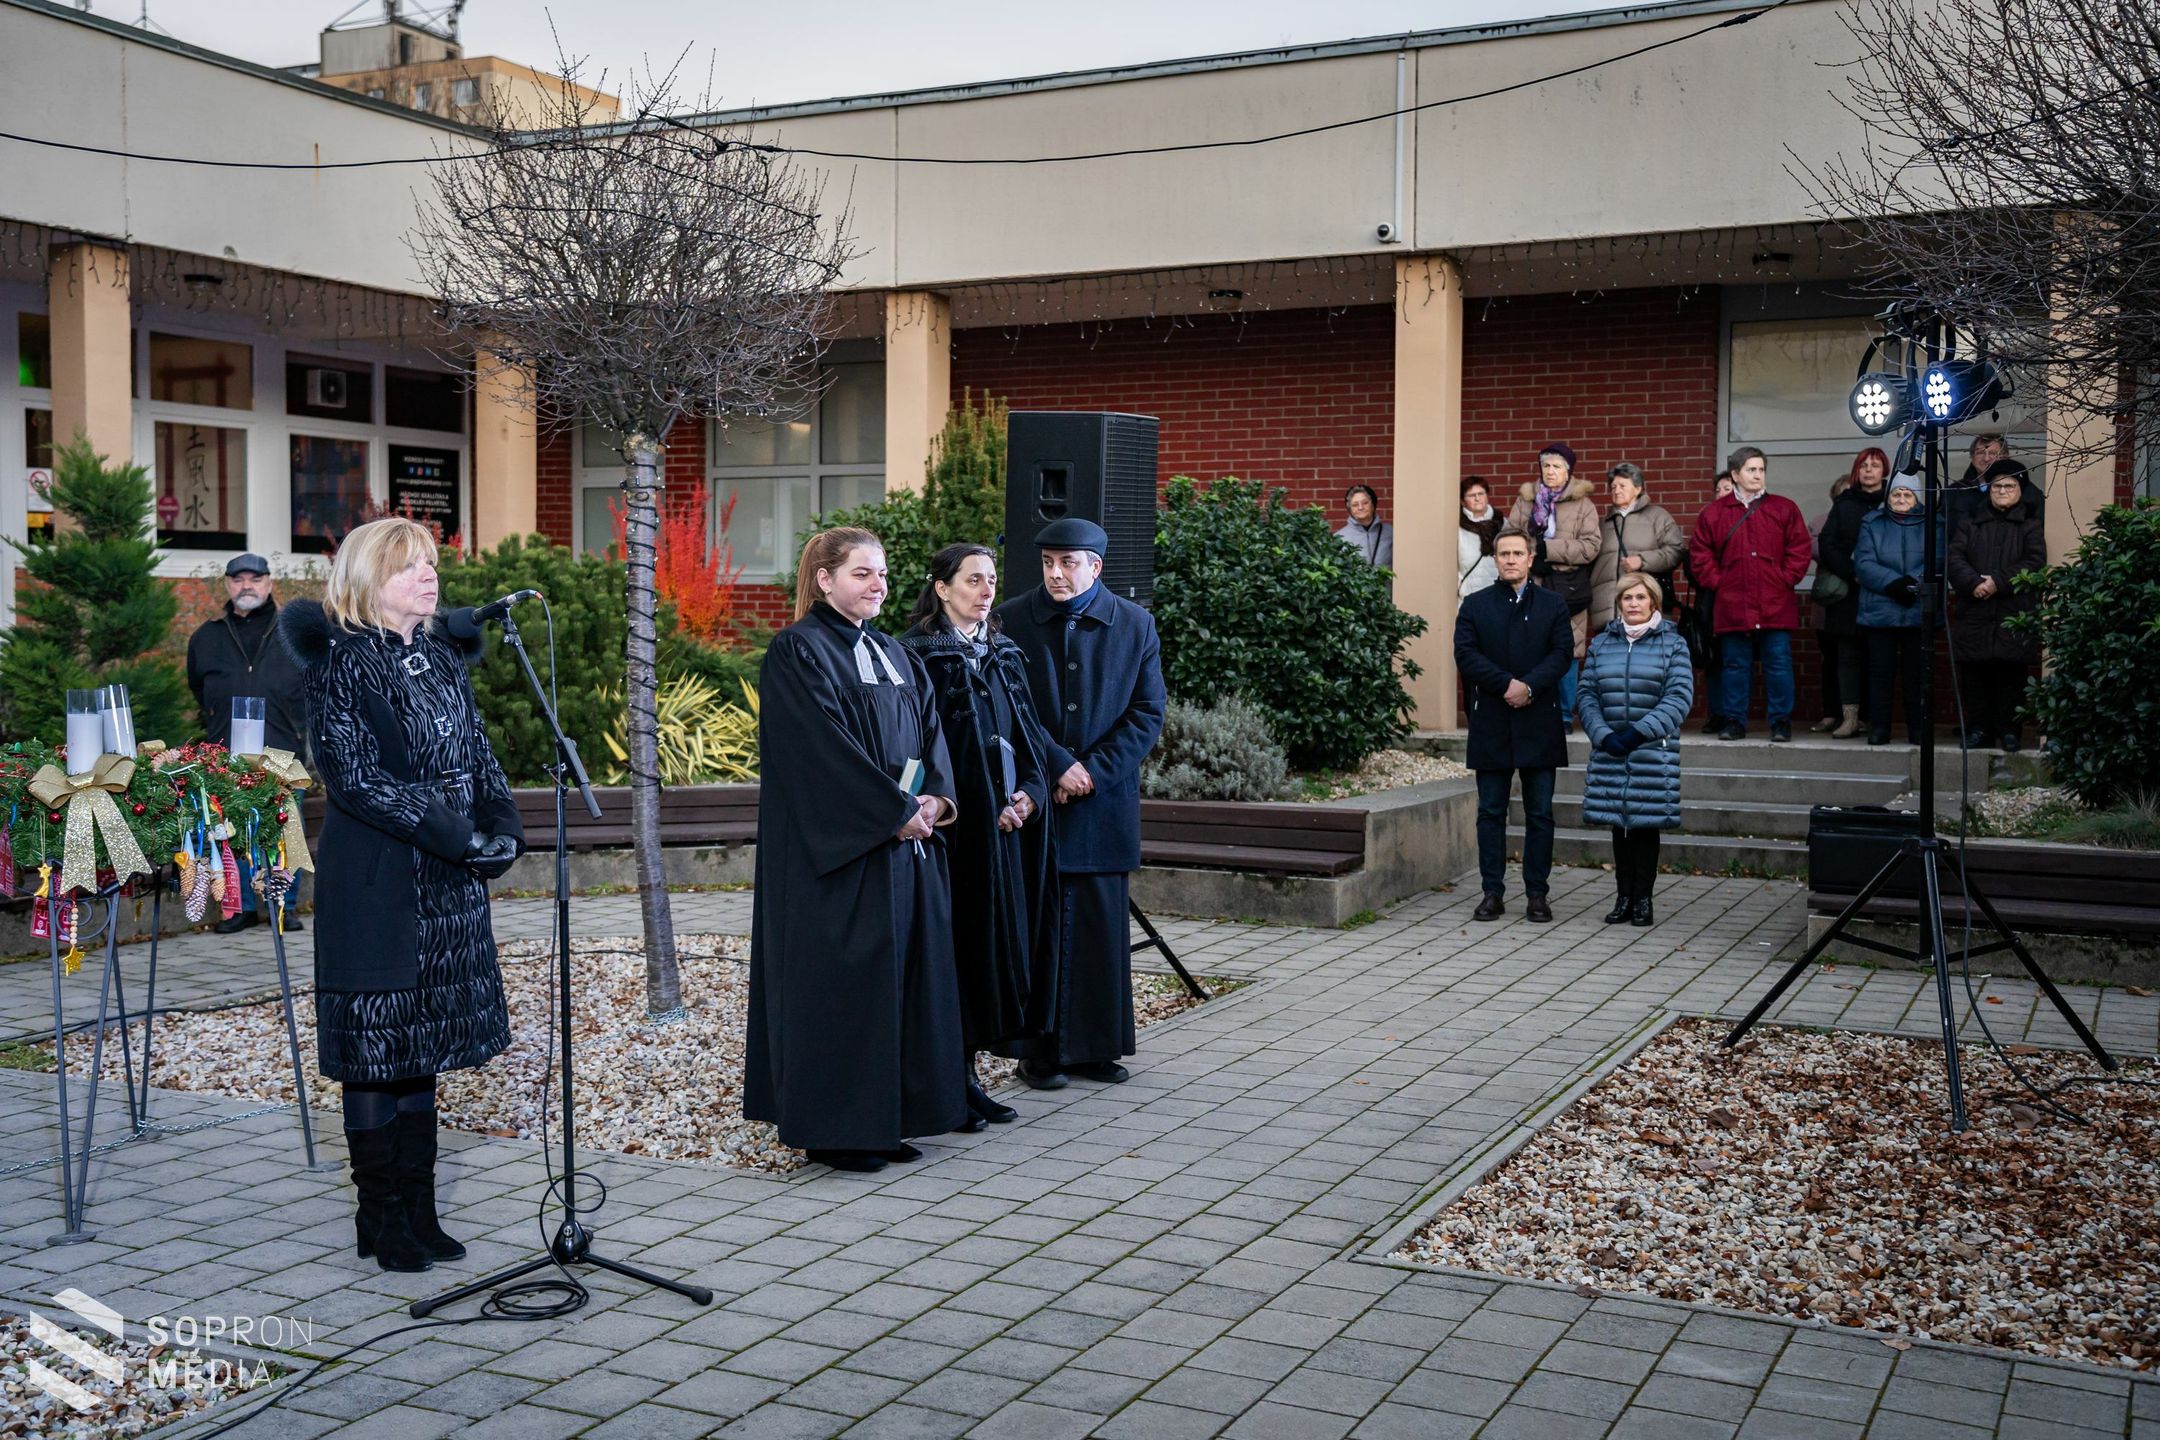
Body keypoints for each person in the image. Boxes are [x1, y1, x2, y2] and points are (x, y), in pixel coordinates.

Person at [278, 518, 524, 1274]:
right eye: (410, 567)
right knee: (376, 1053)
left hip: (445, 888)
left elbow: (477, 751)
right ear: (366, 582)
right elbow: (357, 781)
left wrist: (503, 824)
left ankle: (419, 1206)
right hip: (380, 883)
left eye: (431, 564)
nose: (430, 576)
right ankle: (379, 1214)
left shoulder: (442, 659)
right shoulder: (342, 664)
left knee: (424, 1050)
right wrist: (457, 835)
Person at [744, 527, 968, 1173]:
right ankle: (837, 1131)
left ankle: (887, 1117)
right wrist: (892, 813)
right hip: (839, 859)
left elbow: (932, 737)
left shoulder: (896, 652)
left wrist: (936, 801)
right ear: (825, 580)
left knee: (897, 986)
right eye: (863, 574)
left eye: (883, 575)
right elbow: (817, 752)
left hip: (904, 847)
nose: (878, 586)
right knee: (842, 990)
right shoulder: (797, 651)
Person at [995, 518, 1166, 1091]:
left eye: (1068, 563)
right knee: (1038, 928)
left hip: (1102, 802)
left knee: (1098, 928)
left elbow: (1147, 713)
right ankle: (1037, 1054)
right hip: (1037, 797)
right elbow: (1011, 706)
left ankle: (1095, 1049)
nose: (1056, 574)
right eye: (1048, 563)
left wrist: (1091, 770)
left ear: (1096, 566)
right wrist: (1056, 764)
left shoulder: (1135, 624)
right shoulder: (1014, 618)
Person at [899, 543, 1060, 1129]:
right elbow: (919, 750)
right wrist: (973, 805)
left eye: (992, 579)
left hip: (1011, 833)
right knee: (960, 952)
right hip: (957, 836)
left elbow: (1031, 734)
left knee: (1000, 948)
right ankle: (954, 1080)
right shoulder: (918, 656)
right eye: (973, 579)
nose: (986, 589)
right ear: (941, 587)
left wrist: (1030, 796)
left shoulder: (1005, 652)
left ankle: (972, 1075)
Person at [188, 552, 312, 934]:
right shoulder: (207, 636)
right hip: (225, 752)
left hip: (282, 749)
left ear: (269, 583)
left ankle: (283, 905)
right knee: (230, 831)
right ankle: (240, 907)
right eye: (238, 579)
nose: (247, 586)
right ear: (227, 585)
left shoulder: (293, 633)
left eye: (255, 579)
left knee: (282, 828)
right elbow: (197, 686)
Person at [1455, 528, 1573, 924]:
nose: (1509, 559)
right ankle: (1492, 892)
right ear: (1495, 559)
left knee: (1540, 813)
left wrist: (1530, 687)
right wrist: (1506, 684)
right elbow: (1466, 654)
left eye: (1517, 553)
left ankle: (1537, 894)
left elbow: (1562, 654)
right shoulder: (1474, 605)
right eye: (1503, 553)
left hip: (1539, 719)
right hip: (1491, 719)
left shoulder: (1553, 605)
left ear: (1529, 558)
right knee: (1490, 812)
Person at [1577, 573, 1693, 927]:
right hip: (1610, 748)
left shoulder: (1672, 644)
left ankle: (1643, 899)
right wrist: (1602, 734)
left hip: (1650, 751)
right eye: (1627, 597)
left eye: (1641, 597)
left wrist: (1637, 734)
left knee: (1645, 826)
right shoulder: (1602, 643)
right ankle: (1623, 897)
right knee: (1618, 825)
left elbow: (1678, 698)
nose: (1633, 603)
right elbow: (1587, 694)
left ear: (1653, 603)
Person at [1686, 447, 1812, 742]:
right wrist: (1720, 583)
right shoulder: (1714, 513)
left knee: (1778, 664)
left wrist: (1784, 578)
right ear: (1735, 474)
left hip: (1774, 602)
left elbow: (1799, 549)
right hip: (1733, 604)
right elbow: (1700, 554)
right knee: (1734, 666)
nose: (1757, 475)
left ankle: (1781, 722)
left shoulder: (1784, 508)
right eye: (1751, 470)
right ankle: (1734, 721)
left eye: (1761, 469)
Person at [1948, 459, 2046, 751]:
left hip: (2012, 613)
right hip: (1975, 613)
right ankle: (1979, 730)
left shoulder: (2030, 525)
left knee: (2011, 677)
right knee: (1976, 678)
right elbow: (1954, 558)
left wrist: (1997, 582)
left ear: (2020, 490)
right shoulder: (1970, 522)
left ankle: (2010, 731)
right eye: (1997, 485)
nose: (2002, 491)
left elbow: (2035, 563)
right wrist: (1973, 583)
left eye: (2010, 486)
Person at [1509, 442, 1599, 727]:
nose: (1550, 471)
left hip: (1566, 586)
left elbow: (1591, 546)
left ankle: (1562, 714)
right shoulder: (1526, 500)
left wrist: (1549, 551)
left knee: (1567, 650)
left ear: (1568, 471)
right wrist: (1531, 557)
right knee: (1529, 647)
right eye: (1546, 465)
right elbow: (1509, 536)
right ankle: (1533, 708)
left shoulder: (1583, 503)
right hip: (1529, 582)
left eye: (1557, 466)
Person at [1854, 475, 1941, 745]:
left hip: (1918, 611)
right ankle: (1879, 729)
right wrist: (1893, 584)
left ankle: (1918, 730)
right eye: (1896, 494)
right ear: (1887, 497)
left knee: (1917, 675)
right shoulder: (1872, 522)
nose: (1901, 499)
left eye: (1907, 495)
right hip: (1881, 611)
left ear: (1917, 498)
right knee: (1880, 675)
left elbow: (1937, 558)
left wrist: (1911, 585)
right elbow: (1864, 561)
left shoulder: (1933, 523)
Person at [1813, 449, 1888, 738]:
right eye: (1864, 466)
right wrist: (1853, 571)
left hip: (1883, 592)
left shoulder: (1893, 500)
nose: (1869, 470)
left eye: (1875, 465)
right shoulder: (1845, 503)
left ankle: (1873, 718)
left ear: (1885, 470)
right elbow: (1828, 544)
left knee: (1878, 658)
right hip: (1849, 592)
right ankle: (1850, 717)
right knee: (1847, 658)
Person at [1587, 462, 1685, 632]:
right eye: (1613, 487)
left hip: (1648, 612)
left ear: (1638, 488)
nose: (1616, 490)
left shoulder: (1657, 517)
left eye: (1622, 486)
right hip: (1608, 614)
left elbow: (1676, 551)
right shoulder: (1602, 524)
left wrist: (1642, 560)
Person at [1683, 472, 1739, 734]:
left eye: (1728, 487)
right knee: (1713, 662)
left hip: (1740, 604)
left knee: (1736, 660)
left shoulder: (1747, 519)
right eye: (1718, 489)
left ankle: (1734, 715)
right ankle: (1716, 713)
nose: (1722, 493)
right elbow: (1693, 564)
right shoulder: (1707, 521)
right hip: (1710, 603)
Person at [1459, 476, 1504, 599]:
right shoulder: (1457, 528)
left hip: (1499, 595)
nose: (1477, 498)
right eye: (1471, 495)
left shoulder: (1503, 524)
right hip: (1469, 596)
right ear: (1463, 501)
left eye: (1481, 493)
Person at [1336, 484, 1394, 568]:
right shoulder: (1339, 538)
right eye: (1355, 505)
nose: (1360, 507)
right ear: (1349, 509)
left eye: (1365, 503)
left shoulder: (1390, 532)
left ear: (1373, 504)